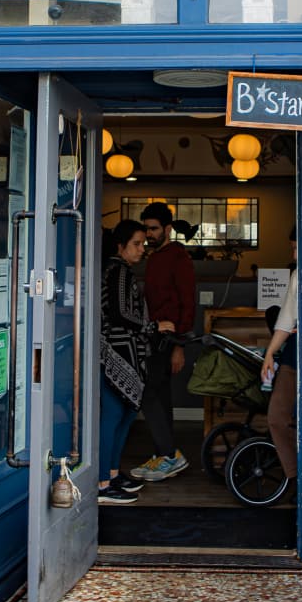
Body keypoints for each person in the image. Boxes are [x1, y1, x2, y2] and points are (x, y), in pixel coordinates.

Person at [130, 201, 195, 481]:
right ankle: (164, 456)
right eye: (146, 229)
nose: (149, 234)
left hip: (169, 337)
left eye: (154, 229)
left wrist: (179, 345)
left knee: (149, 393)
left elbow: (188, 303)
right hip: (153, 333)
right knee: (160, 396)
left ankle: (169, 455)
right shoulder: (154, 257)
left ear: (168, 229)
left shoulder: (178, 257)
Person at [98, 220, 152, 504]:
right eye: (137, 244)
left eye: (144, 244)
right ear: (120, 246)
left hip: (122, 350)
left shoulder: (118, 270)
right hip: (116, 351)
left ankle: (112, 473)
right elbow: (120, 312)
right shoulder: (118, 270)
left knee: (124, 412)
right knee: (114, 413)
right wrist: (151, 326)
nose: (142, 249)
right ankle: (102, 482)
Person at [261, 228, 299, 482]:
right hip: (294, 356)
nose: (294, 255)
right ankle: (295, 476)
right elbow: (286, 319)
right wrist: (270, 353)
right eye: (292, 248)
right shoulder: (297, 276)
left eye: (297, 248)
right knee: (277, 416)